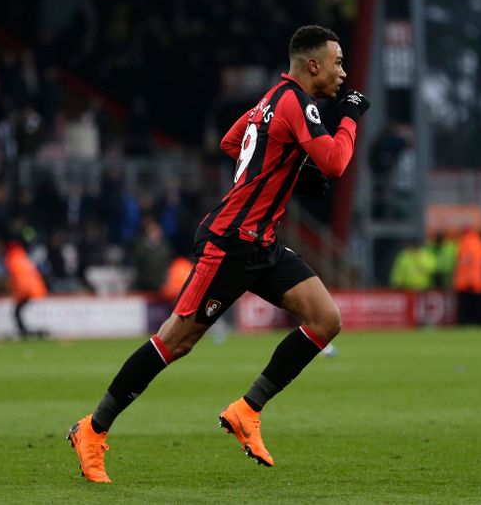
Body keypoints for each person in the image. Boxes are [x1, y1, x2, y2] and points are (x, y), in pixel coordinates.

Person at [67, 25, 370, 482]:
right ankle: (92, 429)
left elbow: (234, 142)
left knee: (326, 319)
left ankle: (247, 411)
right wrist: (348, 118)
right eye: (338, 62)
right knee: (176, 340)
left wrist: (291, 163)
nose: (343, 73)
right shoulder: (295, 101)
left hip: (262, 243)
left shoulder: (269, 101)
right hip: (231, 242)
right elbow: (335, 161)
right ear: (313, 64)